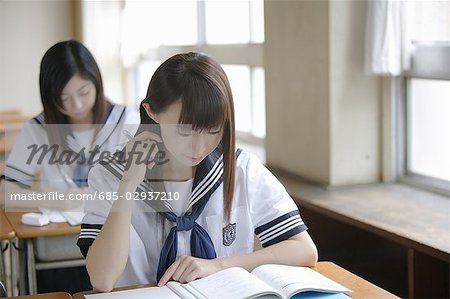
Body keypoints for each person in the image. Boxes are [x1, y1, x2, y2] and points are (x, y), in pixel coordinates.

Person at [77, 52, 318, 292]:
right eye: (184, 131)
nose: (199, 147)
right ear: (152, 111)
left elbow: (303, 249)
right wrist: (128, 184)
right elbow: (102, 279)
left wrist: (219, 266)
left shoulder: (240, 168)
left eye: (213, 130)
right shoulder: (109, 175)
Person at [1, 39, 138, 211]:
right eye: (64, 98)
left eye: (84, 93)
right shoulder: (39, 128)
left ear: (97, 83)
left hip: (115, 228)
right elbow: (5, 193)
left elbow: (146, 188)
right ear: (49, 98)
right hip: (58, 231)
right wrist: (53, 200)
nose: (77, 105)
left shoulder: (126, 120)